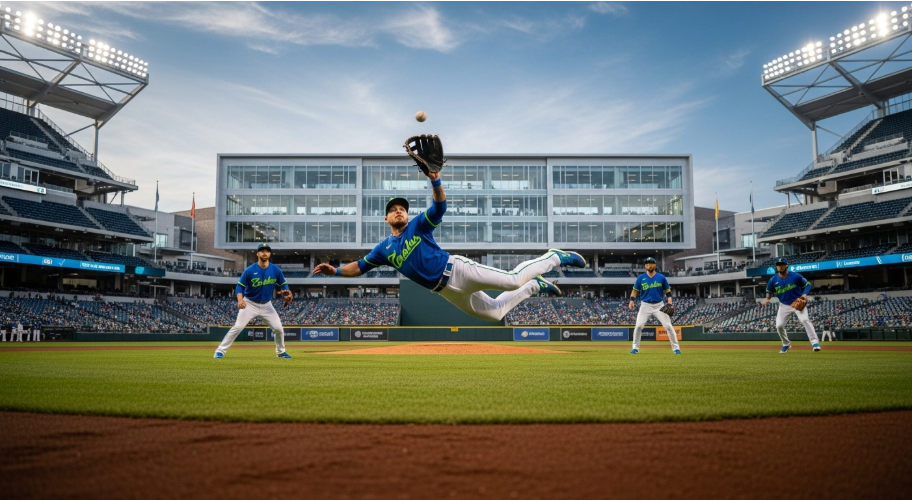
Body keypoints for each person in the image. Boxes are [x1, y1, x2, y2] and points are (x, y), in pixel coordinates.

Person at [313, 152, 586, 321]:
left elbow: (440, 207)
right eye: (393, 210)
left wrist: (435, 180)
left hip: (456, 270)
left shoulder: (418, 225)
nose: (399, 211)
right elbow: (359, 267)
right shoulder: (384, 249)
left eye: (402, 209)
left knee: (512, 280)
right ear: (385, 219)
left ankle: (554, 257)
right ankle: (535, 286)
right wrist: (335, 271)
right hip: (444, 291)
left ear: (407, 216)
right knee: (494, 313)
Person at [214, 243, 294, 359]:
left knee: (278, 329)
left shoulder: (275, 270)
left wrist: (286, 292)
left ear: (270, 254)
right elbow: (240, 286)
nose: (264, 253)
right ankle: (220, 351)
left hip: (267, 305)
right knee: (238, 327)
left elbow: (284, 284)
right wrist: (240, 300)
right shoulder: (250, 270)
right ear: (257, 254)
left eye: (267, 251)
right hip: (250, 303)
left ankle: (281, 352)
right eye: (262, 251)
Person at [763, 257, 820, 353]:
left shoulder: (795, 276)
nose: (780, 267)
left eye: (782, 265)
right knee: (779, 326)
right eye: (778, 265)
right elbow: (769, 291)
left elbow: (808, 285)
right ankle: (786, 344)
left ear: (786, 266)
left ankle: (815, 343)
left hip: (797, 303)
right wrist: (768, 298)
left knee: (805, 320)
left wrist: (804, 294)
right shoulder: (773, 280)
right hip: (784, 305)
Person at [628, 257, 680, 355]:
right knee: (638, 326)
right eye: (647, 263)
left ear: (655, 265)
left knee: (668, 326)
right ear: (645, 266)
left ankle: (676, 348)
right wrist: (631, 300)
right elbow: (635, 290)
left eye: (651, 263)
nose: (649, 265)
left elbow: (668, 292)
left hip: (659, 305)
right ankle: (635, 348)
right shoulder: (641, 278)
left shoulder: (661, 277)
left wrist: (670, 302)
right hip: (645, 305)